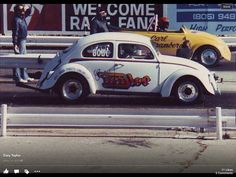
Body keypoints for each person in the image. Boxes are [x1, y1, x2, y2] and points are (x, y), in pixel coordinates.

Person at [12, 4, 34, 83]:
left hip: (23, 40)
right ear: (18, 11)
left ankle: (25, 76)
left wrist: (29, 6)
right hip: (19, 41)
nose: (23, 12)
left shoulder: (22, 17)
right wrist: (15, 44)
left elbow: (29, 12)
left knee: (24, 59)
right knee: (19, 59)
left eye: (23, 11)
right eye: (21, 11)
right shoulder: (16, 20)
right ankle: (18, 77)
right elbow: (15, 33)